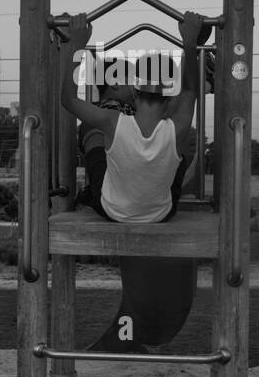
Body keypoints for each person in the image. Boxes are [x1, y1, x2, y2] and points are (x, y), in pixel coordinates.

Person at [61, 11, 202, 223]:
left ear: (135, 92)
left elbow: (68, 100)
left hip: (113, 212)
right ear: (172, 97)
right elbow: (190, 92)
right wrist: (190, 44)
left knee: (104, 160)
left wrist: (77, 46)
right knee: (179, 158)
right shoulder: (179, 127)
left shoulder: (112, 121)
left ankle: (91, 195)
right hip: (160, 215)